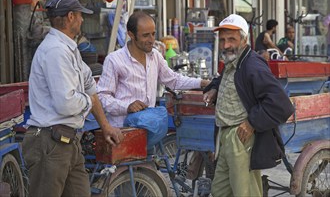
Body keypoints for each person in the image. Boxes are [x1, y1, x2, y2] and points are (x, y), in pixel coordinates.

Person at [22, 0, 124, 197]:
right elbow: (67, 104)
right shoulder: (55, 51)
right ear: (70, 17)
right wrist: (86, 100)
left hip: (69, 142)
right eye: (79, 15)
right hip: (50, 144)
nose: (82, 19)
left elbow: (90, 87)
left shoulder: (69, 49)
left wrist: (105, 127)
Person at [203, 14, 294, 197]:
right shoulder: (233, 61)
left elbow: (281, 104)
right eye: (222, 40)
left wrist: (251, 123)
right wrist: (214, 88)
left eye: (231, 39)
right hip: (225, 136)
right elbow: (227, 79)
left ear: (244, 40)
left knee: (245, 193)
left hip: (240, 137)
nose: (226, 45)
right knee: (220, 191)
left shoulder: (252, 65)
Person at [97, 11, 210, 154]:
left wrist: (201, 83)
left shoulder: (155, 55)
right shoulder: (114, 60)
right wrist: (127, 106)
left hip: (147, 130)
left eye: (153, 34)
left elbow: (173, 80)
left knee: (147, 172)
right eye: (145, 35)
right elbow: (102, 97)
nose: (151, 39)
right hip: (122, 132)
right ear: (131, 35)